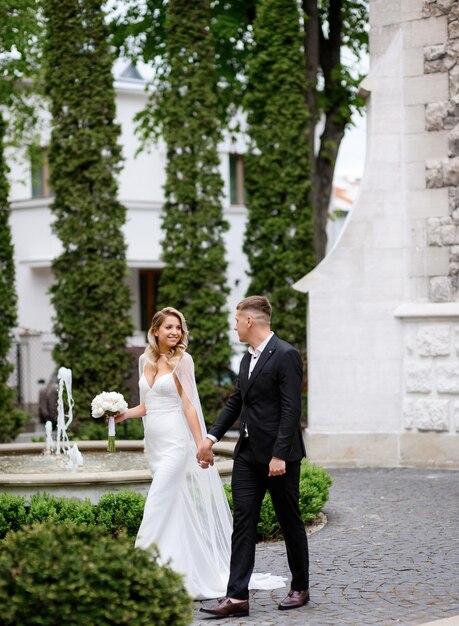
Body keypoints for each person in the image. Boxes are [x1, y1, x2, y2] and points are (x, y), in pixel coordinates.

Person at [115, 306, 285, 601]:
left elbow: (189, 406)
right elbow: (147, 405)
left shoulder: (183, 360)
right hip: (154, 445)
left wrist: (202, 446)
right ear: (155, 330)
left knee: (155, 504)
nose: (175, 332)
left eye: (178, 328)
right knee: (173, 510)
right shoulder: (146, 359)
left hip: (176, 445)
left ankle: (136, 576)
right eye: (169, 327)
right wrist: (121, 414)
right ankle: (176, 573)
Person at [197, 295, 310, 618]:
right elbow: (237, 402)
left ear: (250, 321)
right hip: (247, 455)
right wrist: (210, 437)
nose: (234, 327)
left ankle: (300, 586)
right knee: (243, 522)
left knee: (289, 521)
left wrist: (280, 455)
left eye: (236, 321)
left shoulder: (286, 354)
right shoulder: (247, 359)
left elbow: (291, 409)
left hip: (279, 459)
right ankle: (236, 597)